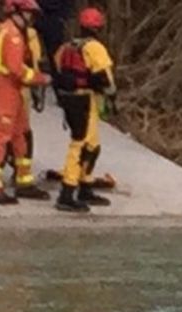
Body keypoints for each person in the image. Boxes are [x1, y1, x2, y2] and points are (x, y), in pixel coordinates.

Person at [0, 0, 53, 204]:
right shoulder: (12, 36)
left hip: (10, 90)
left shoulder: (6, 32)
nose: (31, 17)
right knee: (1, 137)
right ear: (17, 12)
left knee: (20, 134)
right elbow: (16, 69)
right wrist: (41, 78)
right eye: (28, 13)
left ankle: (23, 180)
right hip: (5, 90)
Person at [51, 6, 117, 213]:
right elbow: (104, 77)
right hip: (84, 100)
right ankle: (67, 192)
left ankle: (85, 187)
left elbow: (58, 67)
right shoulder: (95, 48)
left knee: (92, 145)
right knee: (80, 145)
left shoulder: (66, 47)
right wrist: (112, 98)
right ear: (99, 27)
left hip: (70, 99)